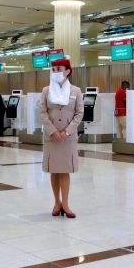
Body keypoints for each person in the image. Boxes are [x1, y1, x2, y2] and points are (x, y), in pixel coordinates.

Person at [39, 58, 83, 219]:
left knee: (65, 171)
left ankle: (66, 204)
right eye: (54, 69)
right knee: (54, 171)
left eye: (59, 69)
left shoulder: (76, 91)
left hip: (68, 138)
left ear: (68, 71)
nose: (56, 72)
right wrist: (52, 131)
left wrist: (67, 132)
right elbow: (42, 113)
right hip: (51, 137)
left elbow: (79, 113)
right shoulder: (46, 91)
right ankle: (56, 203)